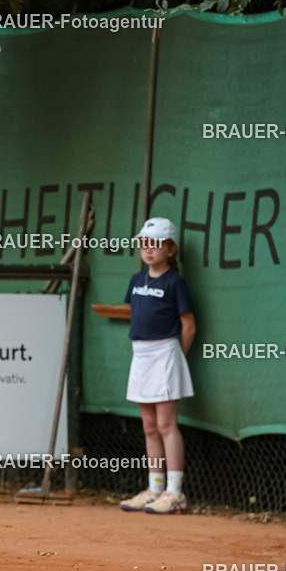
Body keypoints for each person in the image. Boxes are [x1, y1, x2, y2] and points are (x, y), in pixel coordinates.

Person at [119, 218, 196, 515]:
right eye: (144, 244)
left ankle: (175, 493)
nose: (148, 250)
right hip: (140, 356)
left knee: (166, 425)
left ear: (170, 249)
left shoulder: (175, 283)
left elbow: (188, 327)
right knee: (149, 427)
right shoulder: (136, 280)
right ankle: (154, 489)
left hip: (166, 354)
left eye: (156, 244)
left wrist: (176, 358)